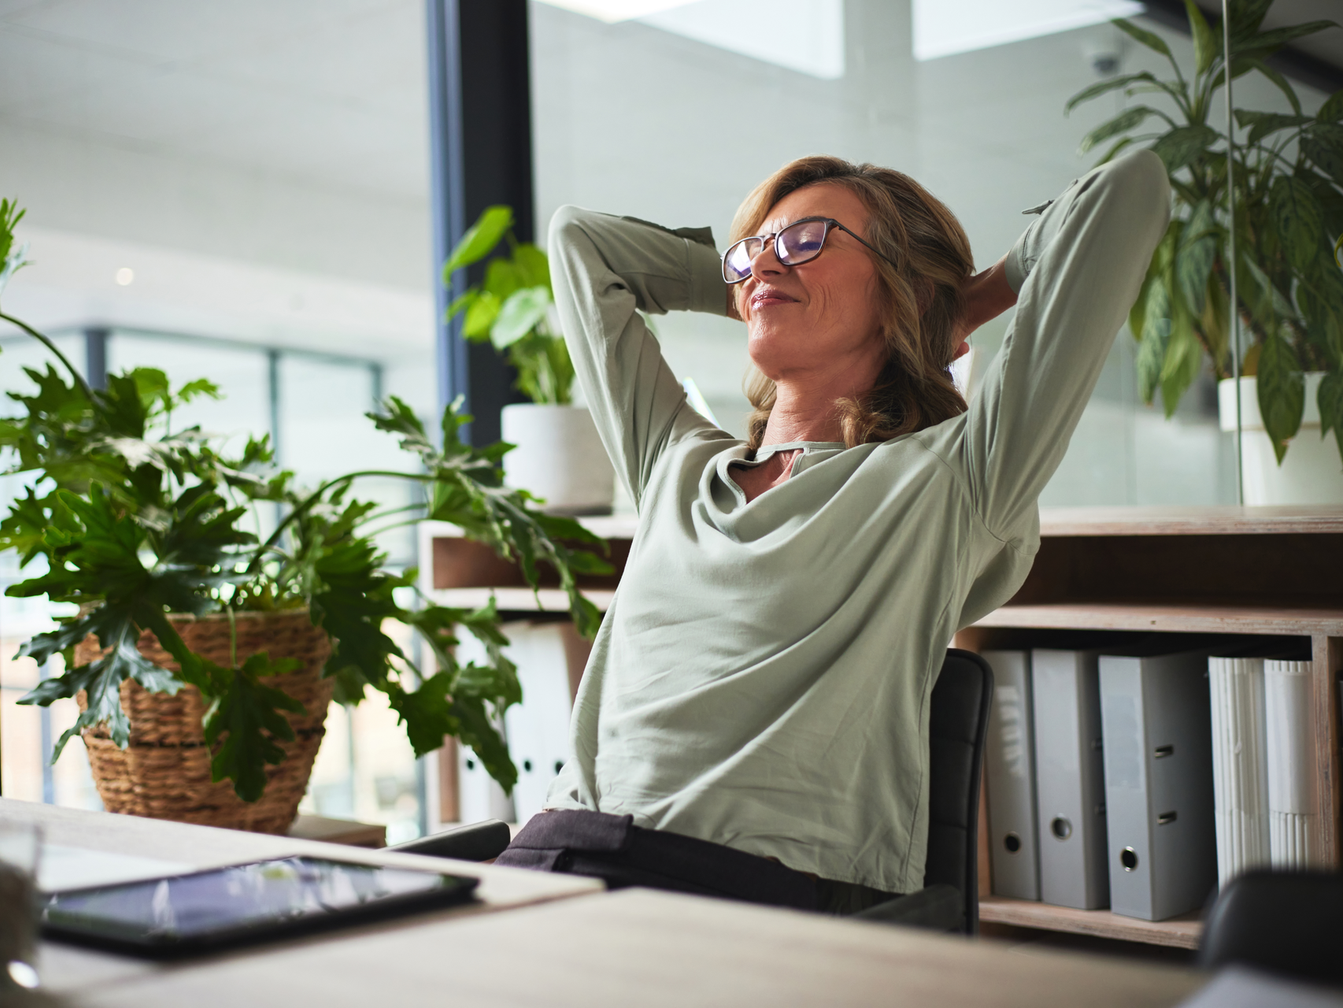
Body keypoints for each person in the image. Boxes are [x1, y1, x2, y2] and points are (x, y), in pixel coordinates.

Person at [494, 149, 1171, 914]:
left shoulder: (948, 479)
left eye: (807, 240)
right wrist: (760, 290)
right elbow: (579, 241)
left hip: (730, 892)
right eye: (754, 250)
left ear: (901, 289)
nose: (765, 265)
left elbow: (1128, 189)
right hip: (550, 853)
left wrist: (957, 304)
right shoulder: (673, 463)